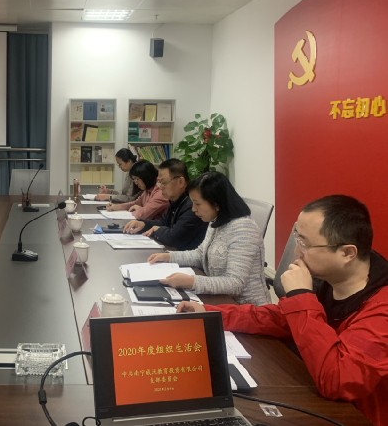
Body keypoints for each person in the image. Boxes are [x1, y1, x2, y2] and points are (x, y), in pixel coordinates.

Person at [176, 195, 388, 426]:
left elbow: (338, 380)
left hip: (354, 416)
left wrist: (301, 296)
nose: (297, 251)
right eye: (297, 239)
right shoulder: (328, 282)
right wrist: (211, 313)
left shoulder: (381, 310)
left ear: (347, 253)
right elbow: (278, 318)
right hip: (311, 394)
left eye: (305, 244)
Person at [147, 171, 270, 306]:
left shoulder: (244, 229)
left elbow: (235, 283)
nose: (193, 209)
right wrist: (169, 257)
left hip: (248, 309)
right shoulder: (215, 221)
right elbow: (201, 255)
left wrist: (192, 281)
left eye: (197, 204)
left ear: (217, 204)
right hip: (221, 301)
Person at [123, 159, 208, 251]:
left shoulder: (192, 204)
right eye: (159, 182)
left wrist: (157, 230)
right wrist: (143, 224)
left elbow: (173, 238)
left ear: (181, 182)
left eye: (163, 183)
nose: (160, 187)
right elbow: (163, 222)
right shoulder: (176, 200)